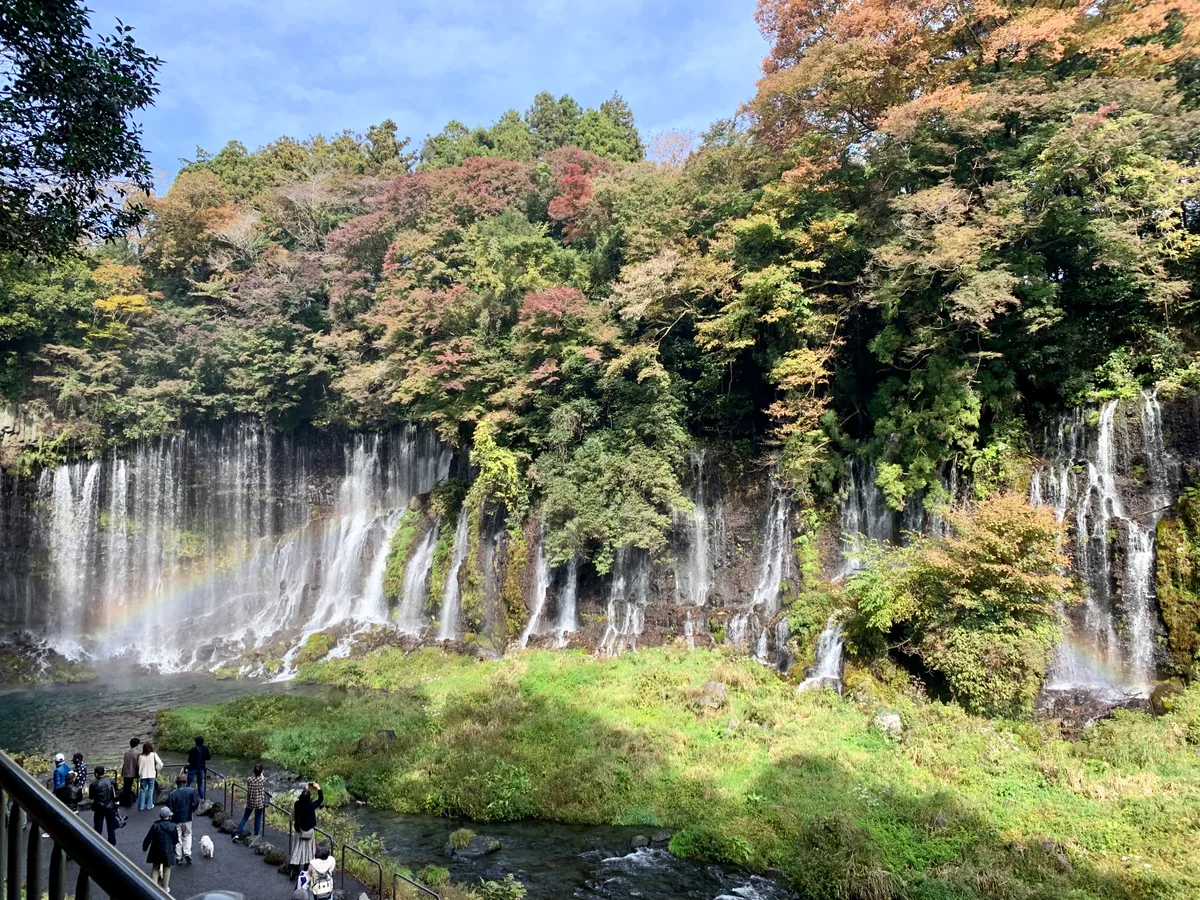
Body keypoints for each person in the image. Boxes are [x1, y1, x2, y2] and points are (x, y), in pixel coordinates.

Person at [289, 781, 323, 879]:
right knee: (309, 851)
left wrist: (306, 789)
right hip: (308, 832)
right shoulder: (310, 806)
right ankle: (306, 870)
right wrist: (318, 788)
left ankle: (294, 869)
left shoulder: (297, 804)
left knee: (297, 850)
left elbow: (293, 816)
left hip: (298, 831)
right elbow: (320, 799)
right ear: (308, 799)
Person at [142, 807, 178, 893]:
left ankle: (153, 887)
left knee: (155, 868)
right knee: (167, 868)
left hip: (156, 849)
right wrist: (173, 847)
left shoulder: (155, 826)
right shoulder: (173, 826)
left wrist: (145, 847)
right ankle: (165, 888)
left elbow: (148, 838)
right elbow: (175, 839)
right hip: (168, 850)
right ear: (168, 816)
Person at [167, 772, 200, 865]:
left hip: (176, 819)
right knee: (187, 835)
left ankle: (179, 857)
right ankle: (187, 853)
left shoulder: (172, 794)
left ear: (177, 783)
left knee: (178, 838)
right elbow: (196, 802)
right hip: (188, 817)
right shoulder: (191, 791)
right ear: (185, 782)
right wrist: (192, 810)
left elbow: (169, 807)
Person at [232, 764, 268, 843]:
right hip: (259, 803)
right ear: (261, 772)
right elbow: (263, 779)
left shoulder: (249, 779)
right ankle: (256, 834)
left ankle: (237, 834)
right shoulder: (262, 780)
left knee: (245, 817)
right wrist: (261, 774)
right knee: (258, 818)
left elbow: (253, 778)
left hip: (250, 802)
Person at [89, 765, 120, 845]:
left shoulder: (93, 785)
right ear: (104, 772)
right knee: (111, 826)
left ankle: (97, 842)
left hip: (99, 807)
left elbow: (91, 796)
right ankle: (112, 842)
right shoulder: (111, 780)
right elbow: (116, 792)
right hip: (111, 806)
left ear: (96, 774)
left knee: (98, 827)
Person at [137, 741, 163, 811]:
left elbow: (139, 765)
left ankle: (141, 806)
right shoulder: (153, 755)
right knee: (150, 790)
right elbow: (160, 764)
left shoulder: (141, 756)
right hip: (151, 775)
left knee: (142, 790)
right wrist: (156, 768)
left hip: (143, 775)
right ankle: (149, 805)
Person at [186, 735, 212, 800]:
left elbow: (189, 760)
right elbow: (208, 757)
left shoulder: (193, 749)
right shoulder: (205, 748)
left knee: (188, 783)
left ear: (196, 742)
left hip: (193, 768)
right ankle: (202, 798)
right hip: (201, 768)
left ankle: (186, 796)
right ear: (203, 741)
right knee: (200, 784)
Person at [121, 737, 141, 807]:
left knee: (126, 787)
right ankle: (128, 802)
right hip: (132, 773)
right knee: (129, 787)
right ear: (137, 745)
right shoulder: (138, 753)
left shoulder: (126, 753)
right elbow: (138, 764)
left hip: (126, 772)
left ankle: (125, 801)